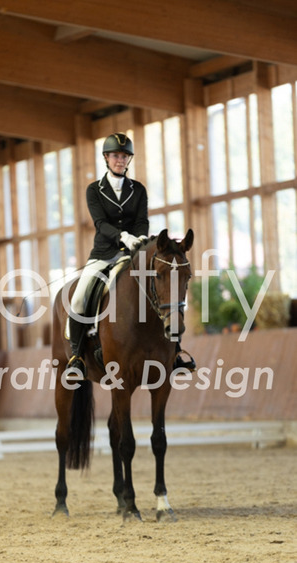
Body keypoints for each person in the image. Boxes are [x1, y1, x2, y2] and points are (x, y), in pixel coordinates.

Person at [65, 132, 195, 379]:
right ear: (106, 158)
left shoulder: (138, 189)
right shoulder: (94, 190)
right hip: (104, 254)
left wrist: (139, 238)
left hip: (134, 253)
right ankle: (77, 357)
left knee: (163, 291)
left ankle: (175, 353)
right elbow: (100, 223)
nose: (120, 160)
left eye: (124, 156)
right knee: (79, 298)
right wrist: (122, 237)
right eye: (115, 156)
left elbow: (142, 220)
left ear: (129, 160)